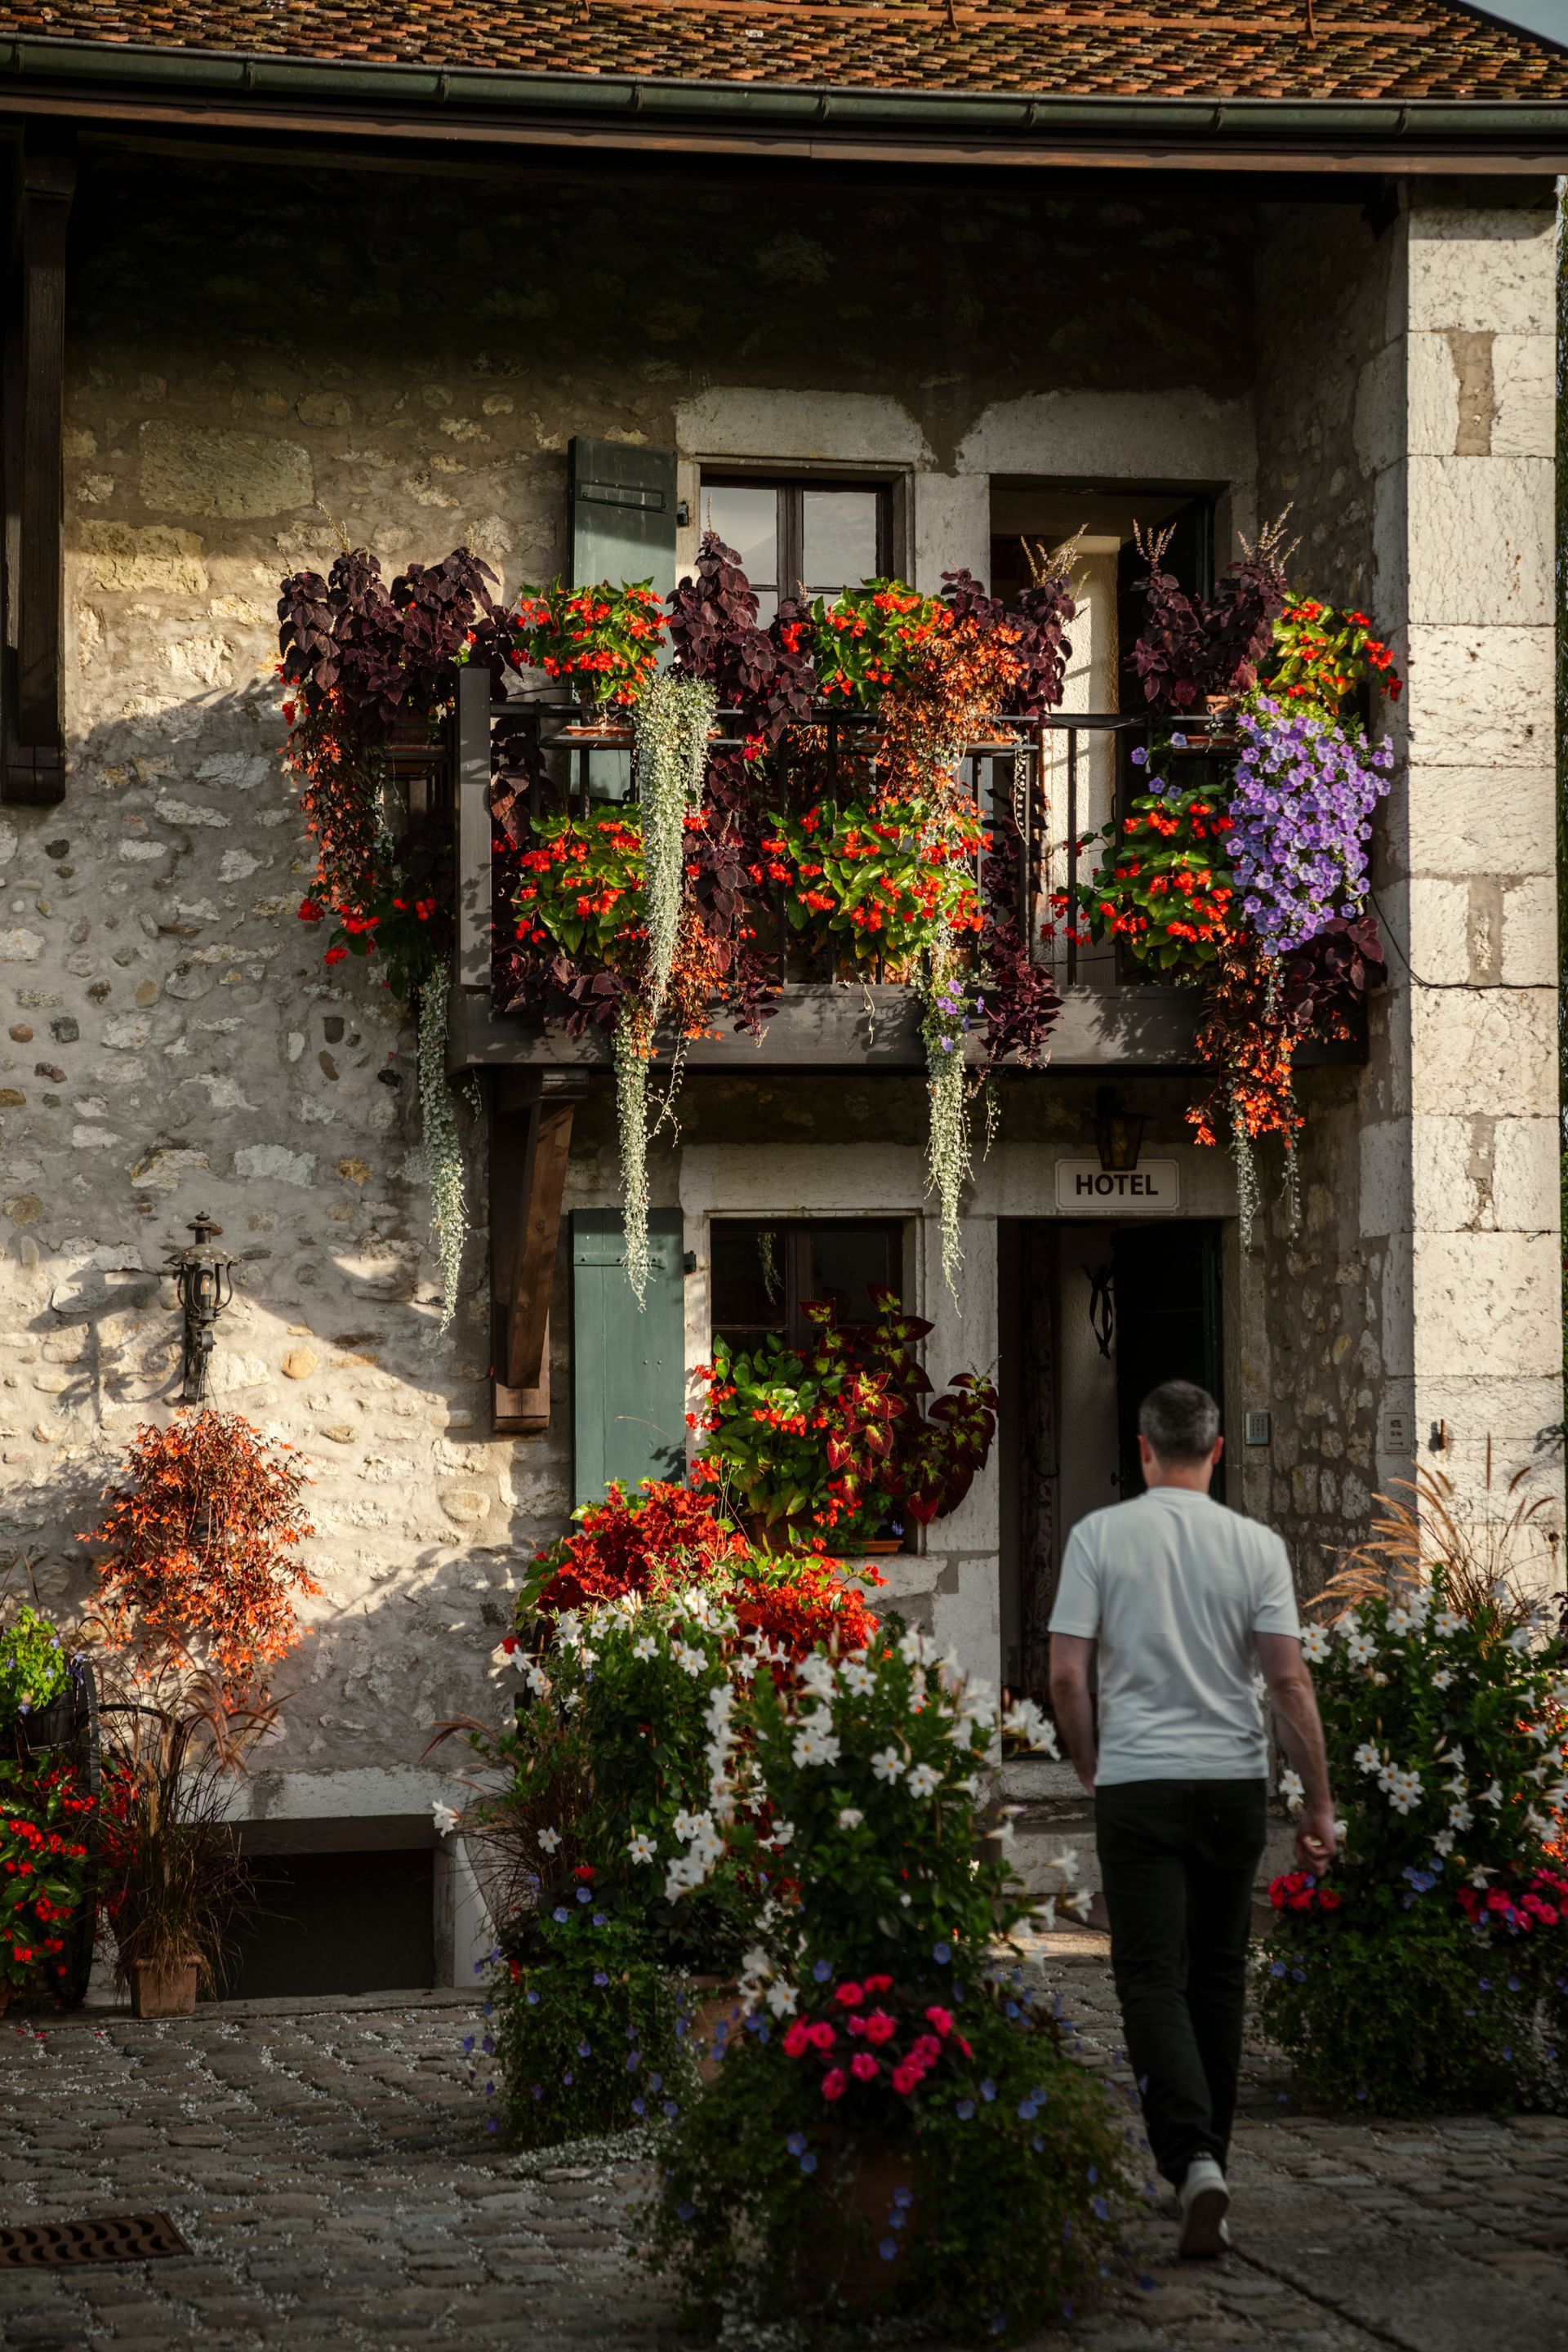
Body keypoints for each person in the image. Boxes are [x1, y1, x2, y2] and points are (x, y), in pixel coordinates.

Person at [1047, 1378, 1335, 2259]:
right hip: (1231, 1783)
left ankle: (1191, 2161)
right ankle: (1211, 2162)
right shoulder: (1257, 1546)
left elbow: (1065, 1673)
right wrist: (1317, 1798)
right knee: (1217, 1972)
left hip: (1138, 1782)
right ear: (1216, 1451)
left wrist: (1089, 1760)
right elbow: (1287, 1684)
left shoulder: (1100, 1536)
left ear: (1141, 1449)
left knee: (1147, 1977)